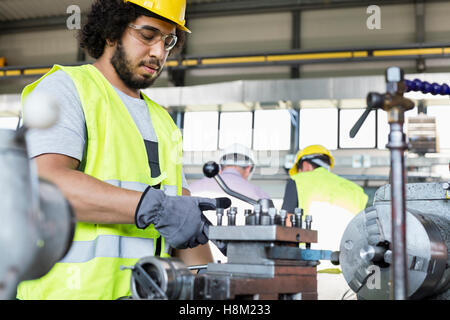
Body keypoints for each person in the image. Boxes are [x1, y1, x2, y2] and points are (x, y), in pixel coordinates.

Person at [17, 0, 227, 300]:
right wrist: (156, 208)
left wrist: (217, 282)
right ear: (111, 31)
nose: (159, 52)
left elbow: (178, 217)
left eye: (168, 41)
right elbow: (46, 185)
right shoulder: (66, 89)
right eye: (147, 35)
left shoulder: (163, 121)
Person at [281, 144, 368, 300]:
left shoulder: (298, 181)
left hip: (311, 273)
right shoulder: (356, 191)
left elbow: (287, 226)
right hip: (350, 277)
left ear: (305, 165)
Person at [189, 143, 270, 262]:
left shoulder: (192, 188)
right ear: (248, 168)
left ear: (220, 168)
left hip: (192, 264)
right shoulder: (260, 196)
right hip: (240, 265)